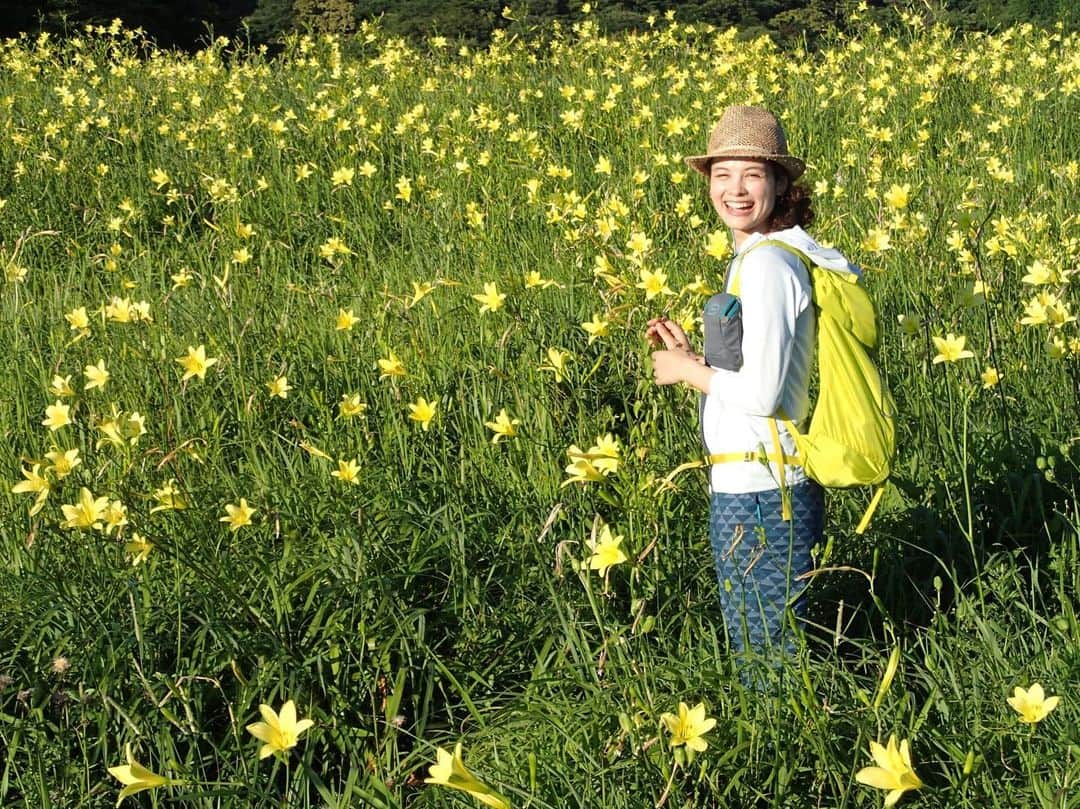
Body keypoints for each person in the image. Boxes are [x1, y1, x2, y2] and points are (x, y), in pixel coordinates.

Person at [646, 105, 861, 668]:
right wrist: (692, 358)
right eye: (722, 174)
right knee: (760, 644)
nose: (734, 190)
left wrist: (686, 373)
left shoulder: (768, 266)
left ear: (780, 184)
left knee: (767, 656)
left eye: (752, 175)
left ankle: (793, 752)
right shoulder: (757, 258)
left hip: (767, 493)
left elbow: (765, 395)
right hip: (754, 484)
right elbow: (754, 378)